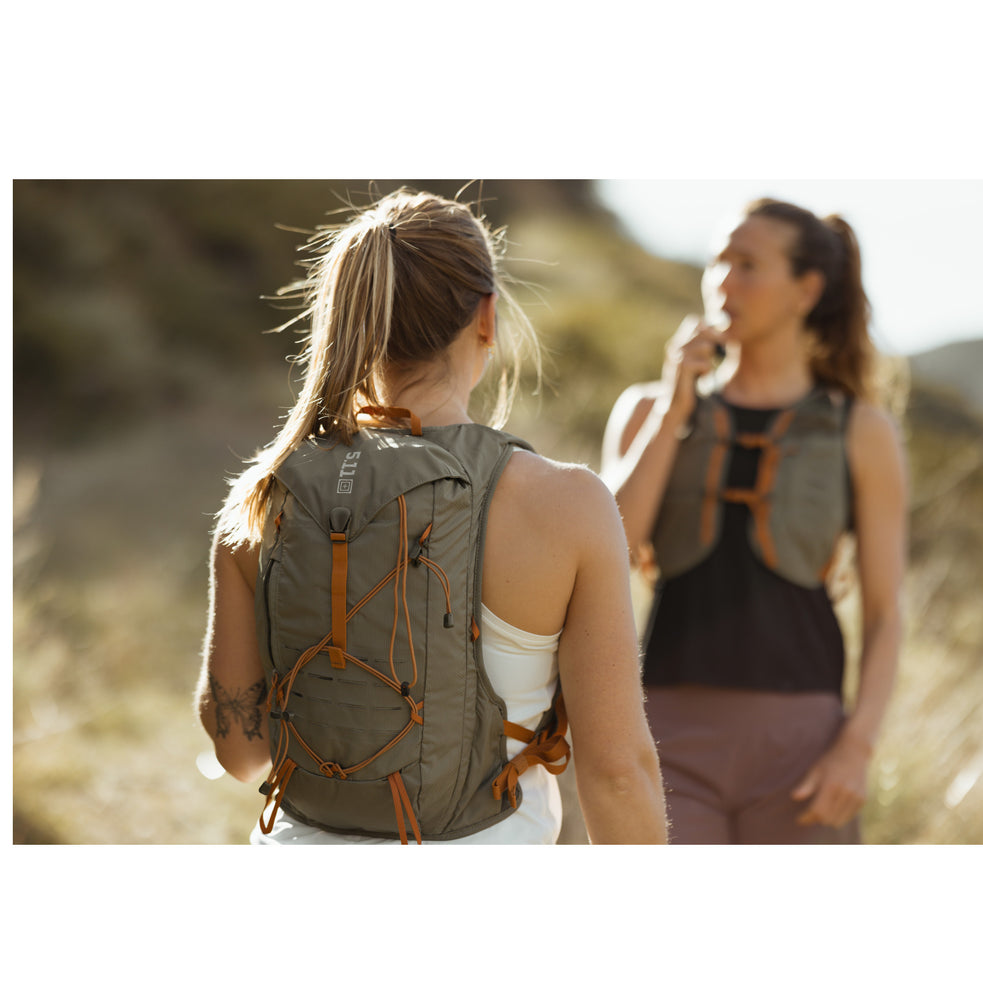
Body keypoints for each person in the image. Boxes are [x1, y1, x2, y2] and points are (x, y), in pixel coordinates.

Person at [194, 187, 667, 845]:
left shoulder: (264, 496)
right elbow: (617, 773)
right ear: (486, 316)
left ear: (348, 318)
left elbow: (240, 754)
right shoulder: (568, 504)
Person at [602, 197, 906, 844]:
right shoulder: (647, 410)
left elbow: (885, 613)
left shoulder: (860, 429)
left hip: (805, 749)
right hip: (666, 734)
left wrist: (855, 748)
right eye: (717, 262)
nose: (723, 282)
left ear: (806, 290)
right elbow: (606, 555)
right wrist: (673, 410)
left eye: (747, 265)